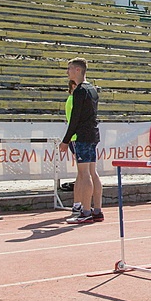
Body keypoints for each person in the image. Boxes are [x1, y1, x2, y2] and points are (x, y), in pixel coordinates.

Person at [60, 57, 104, 224]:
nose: (68, 72)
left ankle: (85, 211)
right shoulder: (92, 89)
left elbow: (75, 119)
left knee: (84, 174)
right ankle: (97, 210)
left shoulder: (79, 91)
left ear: (78, 70)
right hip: (92, 134)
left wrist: (66, 140)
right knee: (93, 172)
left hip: (83, 137)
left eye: (70, 68)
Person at [63, 79, 83, 215]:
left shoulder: (73, 99)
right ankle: (78, 204)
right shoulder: (72, 100)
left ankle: (81, 203)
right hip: (76, 138)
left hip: (77, 138)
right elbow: (75, 120)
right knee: (83, 172)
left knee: (84, 172)